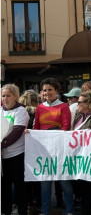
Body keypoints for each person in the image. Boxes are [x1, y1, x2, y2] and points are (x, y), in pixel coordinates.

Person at [32, 78, 74, 215]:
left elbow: (66, 128)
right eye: (44, 90)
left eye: (50, 89)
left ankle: (69, 211)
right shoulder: (39, 108)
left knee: (64, 182)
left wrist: (51, 135)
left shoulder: (64, 107)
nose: (47, 92)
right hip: (44, 150)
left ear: (56, 90)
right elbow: (36, 127)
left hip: (60, 149)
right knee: (45, 184)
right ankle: (45, 211)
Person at [1, 84, 30, 215]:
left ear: (15, 96)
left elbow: (17, 132)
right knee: (4, 188)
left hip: (17, 154)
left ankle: (22, 211)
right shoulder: (0, 110)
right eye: (3, 96)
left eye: (8, 96)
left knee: (19, 187)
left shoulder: (20, 111)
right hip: (2, 157)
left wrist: (1, 145)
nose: (5, 99)